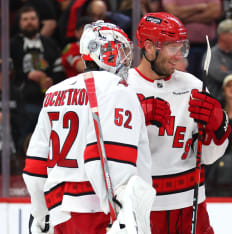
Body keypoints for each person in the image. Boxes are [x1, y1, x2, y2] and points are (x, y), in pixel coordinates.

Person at [22, 21, 154, 233]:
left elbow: (36, 163)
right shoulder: (116, 89)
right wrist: (122, 211)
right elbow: (109, 158)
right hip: (98, 211)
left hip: (60, 212)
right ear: (105, 51)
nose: (125, 59)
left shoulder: (55, 92)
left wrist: (40, 211)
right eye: (120, 50)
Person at [128, 12, 231, 233]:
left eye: (181, 48)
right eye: (172, 48)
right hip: (141, 209)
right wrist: (136, 119)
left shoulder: (193, 85)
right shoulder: (123, 87)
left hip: (191, 207)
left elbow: (210, 155)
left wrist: (218, 127)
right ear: (148, 47)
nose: (179, 56)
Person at [10, 6, 65, 143]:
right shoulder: (12, 45)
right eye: (25, 19)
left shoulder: (50, 44)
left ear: (39, 21)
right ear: (19, 23)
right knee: (24, 139)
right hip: (22, 102)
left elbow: (60, 70)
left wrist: (51, 80)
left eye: (33, 18)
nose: (29, 22)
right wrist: (26, 76)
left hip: (49, 101)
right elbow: (7, 73)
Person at [162, 0, 222, 78]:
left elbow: (215, 13)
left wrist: (183, 18)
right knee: (182, 77)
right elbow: (172, 12)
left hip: (207, 45)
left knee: (205, 79)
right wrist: (197, 8)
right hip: (180, 47)